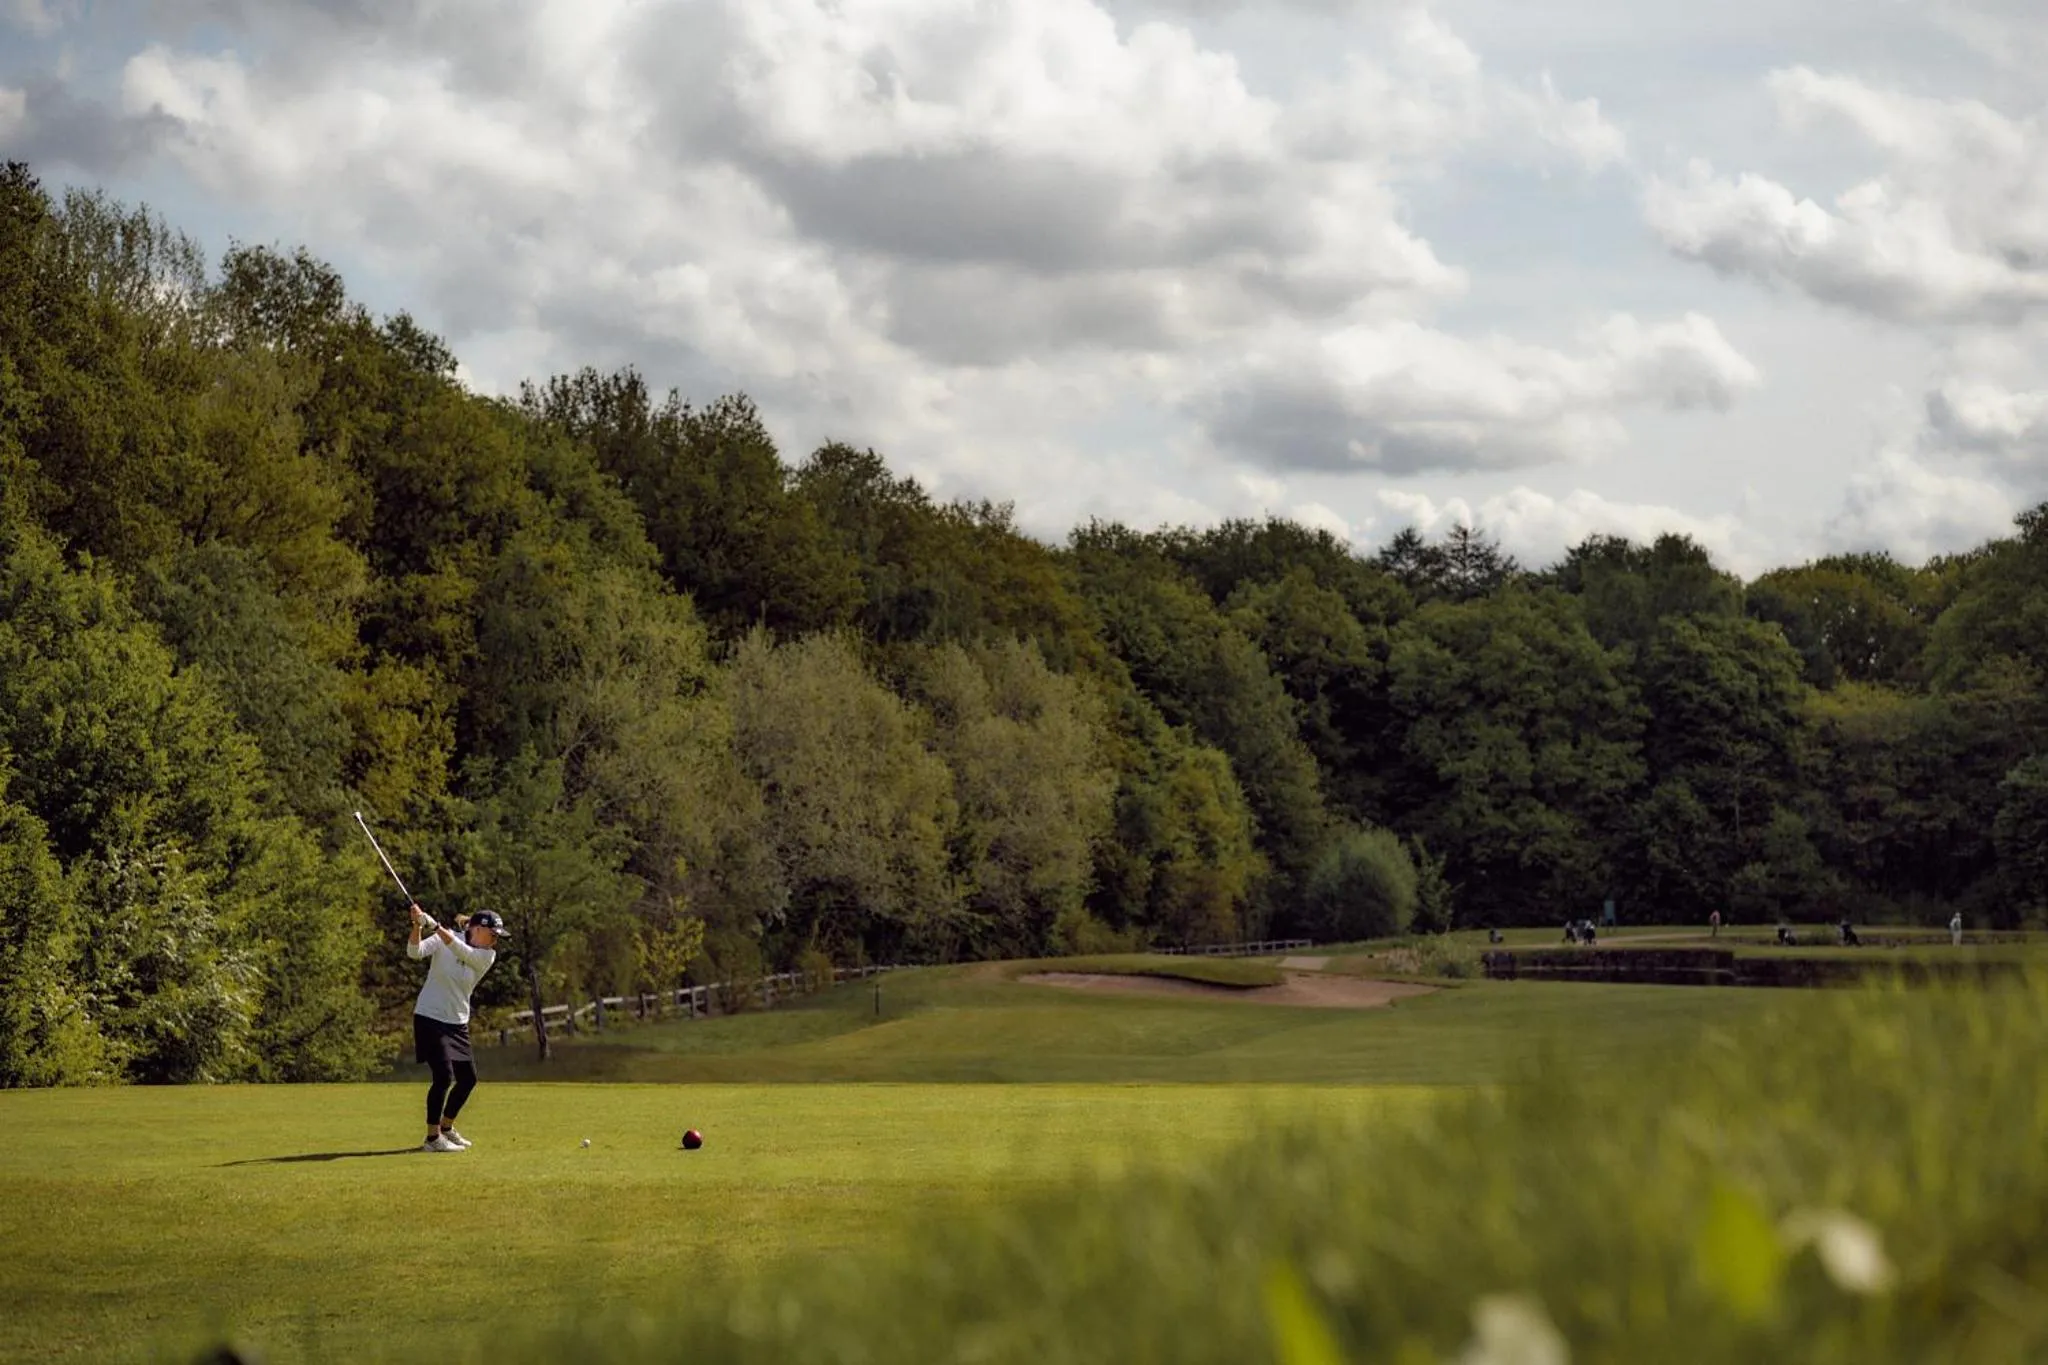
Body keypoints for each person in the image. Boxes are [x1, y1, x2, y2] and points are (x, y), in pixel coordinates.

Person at [408, 904, 507, 1153]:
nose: (495, 939)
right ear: (477, 929)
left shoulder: (487, 956)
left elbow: (463, 952)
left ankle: (446, 1128)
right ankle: (432, 1139)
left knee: (468, 1079)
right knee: (443, 1076)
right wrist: (418, 925)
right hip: (429, 1016)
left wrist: (436, 926)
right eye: (492, 934)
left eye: (497, 936)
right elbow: (414, 952)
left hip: (457, 1022)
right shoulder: (446, 938)